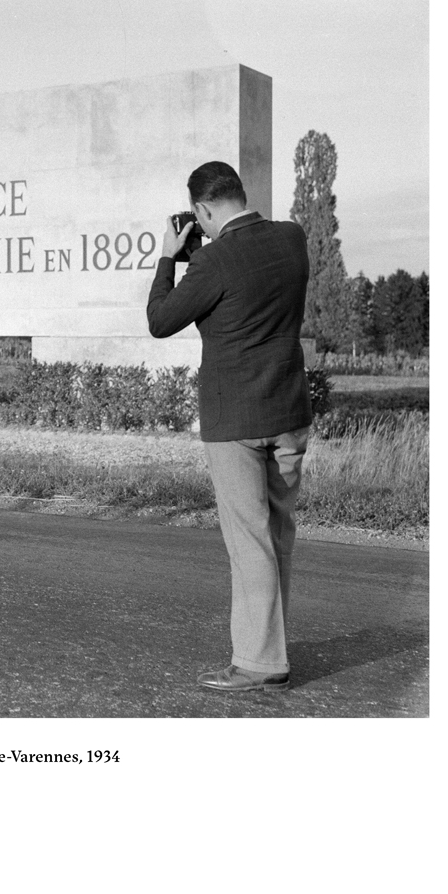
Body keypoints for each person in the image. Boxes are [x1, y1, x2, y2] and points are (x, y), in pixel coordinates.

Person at [146, 161, 312, 692]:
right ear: (241, 194)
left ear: (200, 210)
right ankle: (270, 651)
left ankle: (259, 662)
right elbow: (248, 287)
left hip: (235, 418)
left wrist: (171, 258)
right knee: (277, 537)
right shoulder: (293, 239)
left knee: (248, 542)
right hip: (287, 411)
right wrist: (206, 257)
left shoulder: (212, 261)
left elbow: (160, 320)